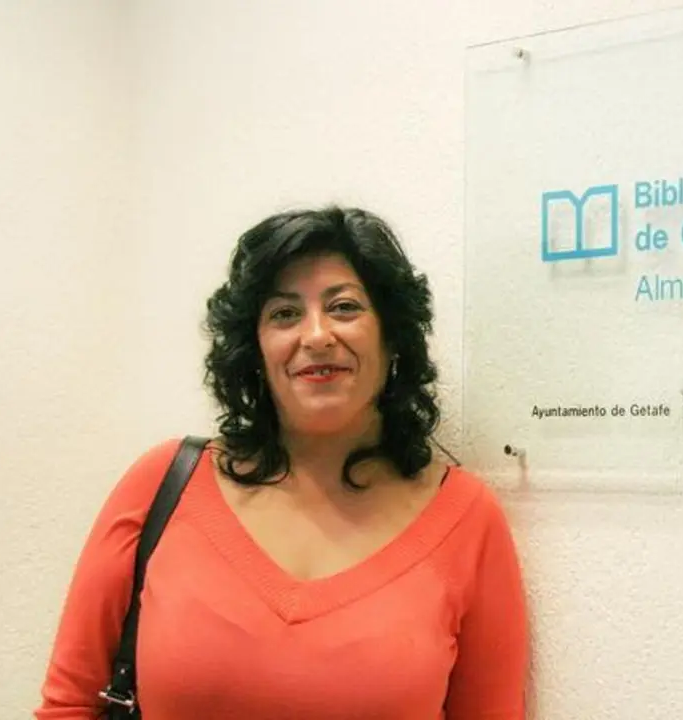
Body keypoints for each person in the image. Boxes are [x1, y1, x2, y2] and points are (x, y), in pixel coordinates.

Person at [35, 206, 529, 719]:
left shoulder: (467, 518)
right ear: (255, 348)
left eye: (343, 307)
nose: (315, 336)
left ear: (393, 337)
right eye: (284, 314)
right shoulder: (163, 484)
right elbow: (69, 706)